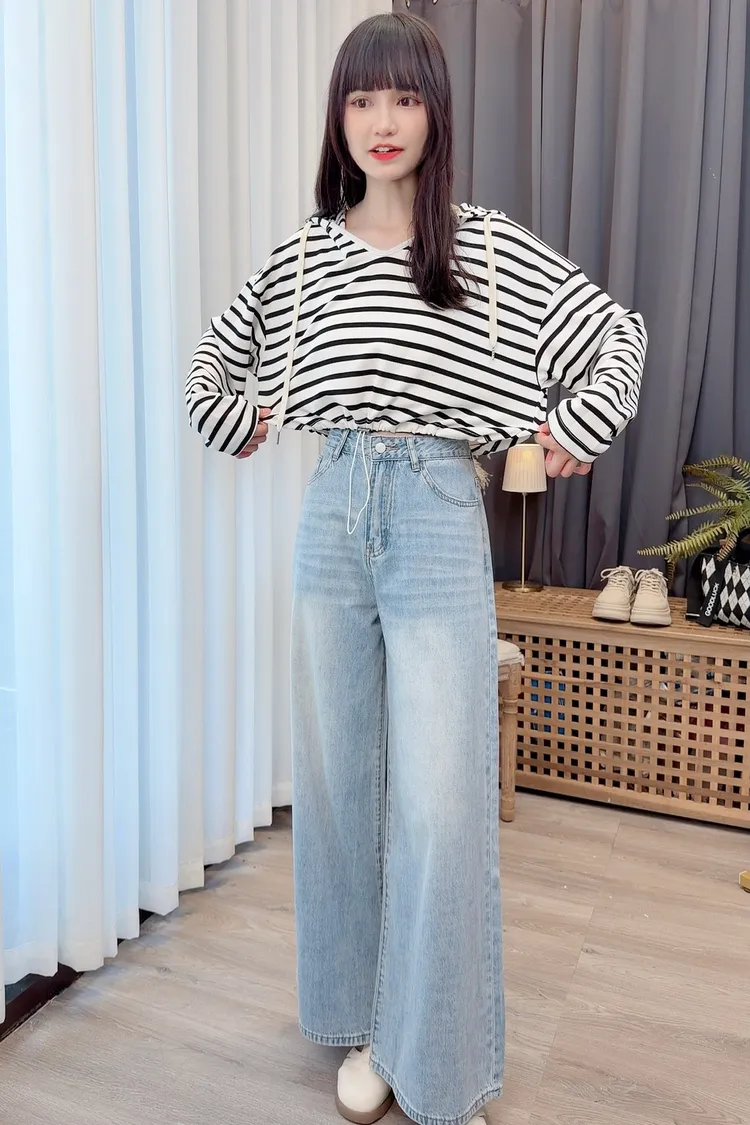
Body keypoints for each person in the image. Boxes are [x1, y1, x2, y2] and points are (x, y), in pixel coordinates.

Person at [185, 13, 646, 1125]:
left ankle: (433, 1052)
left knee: (441, 801)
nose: (382, 121)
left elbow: (615, 336)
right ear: (337, 118)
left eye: (403, 97)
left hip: (438, 506)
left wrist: (578, 423)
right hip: (333, 508)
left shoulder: (485, 247)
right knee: (339, 783)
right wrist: (232, 418)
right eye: (361, 99)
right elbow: (211, 365)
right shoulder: (303, 257)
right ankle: (362, 1018)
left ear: (435, 111)